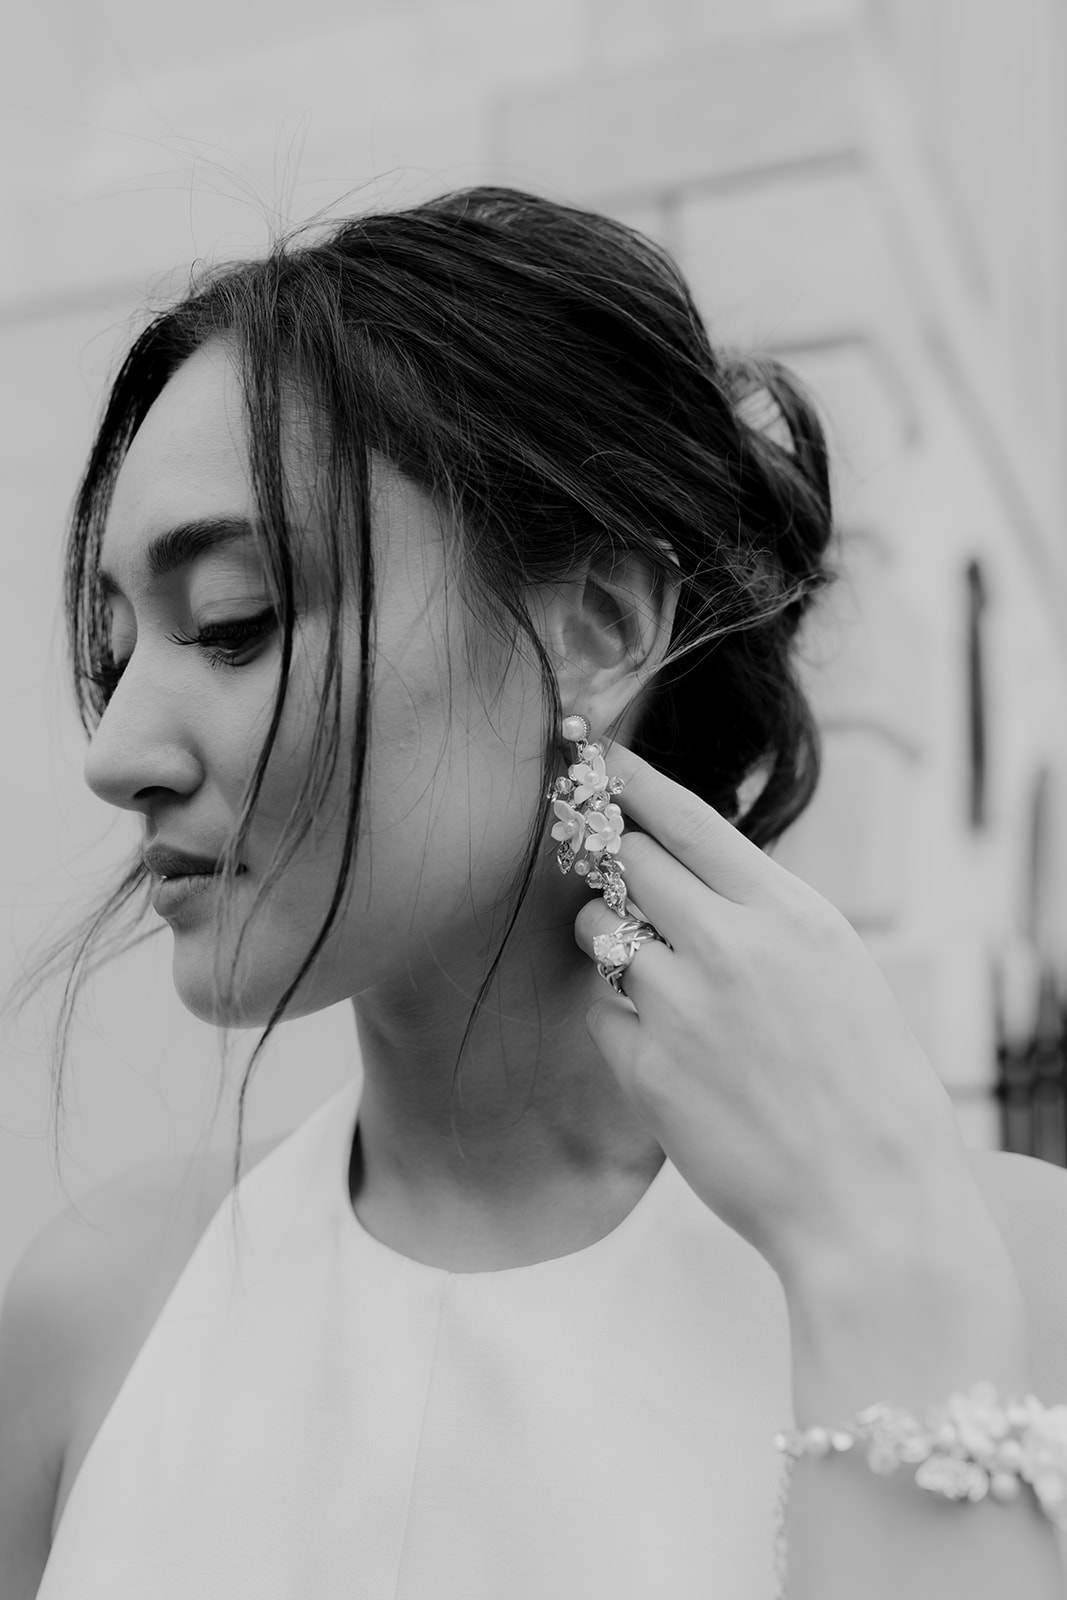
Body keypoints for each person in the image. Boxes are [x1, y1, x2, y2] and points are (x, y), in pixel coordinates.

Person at [2, 186, 1066, 1599]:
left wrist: (880, 1280)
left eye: (235, 624)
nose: (118, 751)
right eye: (117, 649)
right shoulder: (95, 1313)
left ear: (601, 628)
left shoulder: (1004, 1274)